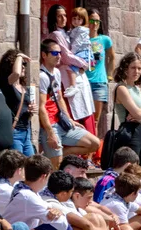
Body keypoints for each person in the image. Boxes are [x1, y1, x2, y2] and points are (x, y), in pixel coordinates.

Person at [38, 38, 100, 167]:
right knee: (56, 167)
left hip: (61, 122)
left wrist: (69, 119)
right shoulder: (42, 76)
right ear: (44, 55)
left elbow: (60, 98)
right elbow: (41, 107)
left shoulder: (56, 72)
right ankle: (54, 156)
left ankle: (58, 154)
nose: (59, 56)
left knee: (94, 143)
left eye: (60, 53)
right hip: (50, 125)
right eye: (54, 53)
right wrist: (50, 132)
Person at [46, 5, 96, 135]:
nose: (63, 19)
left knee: (84, 108)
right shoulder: (56, 34)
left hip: (77, 74)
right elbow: (66, 56)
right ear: (53, 18)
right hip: (67, 75)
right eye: (59, 16)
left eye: (65, 15)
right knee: (75, 110)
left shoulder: (68, 32)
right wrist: (84, 63)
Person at [111, 53, 141, 167]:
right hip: (130, 133)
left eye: (139, 68)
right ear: (125, 69)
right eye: (133, 68)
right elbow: (138, 113)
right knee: (131, 169)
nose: (136, 71)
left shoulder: (137, 88)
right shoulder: (121, 88)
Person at [0, 49, 36, 155]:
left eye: (24, 64)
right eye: (20, 64)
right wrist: (19, 56)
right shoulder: (5, 83)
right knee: (18, 163)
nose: (23, 67)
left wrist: (31, 110)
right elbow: (16, 73)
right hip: (15, 132)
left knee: (30, 163)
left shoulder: (24, 88)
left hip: (26, 132)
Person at [87, 9, 115, 141]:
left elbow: (112, 57)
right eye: (92, 20)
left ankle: (92, 151)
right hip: (83, 82)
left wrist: (109, 75)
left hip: (99, 83)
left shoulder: (104, 39)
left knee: (95, 120)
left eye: (97, 21)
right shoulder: (80, 39)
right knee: (83, 118)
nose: (94, 24)